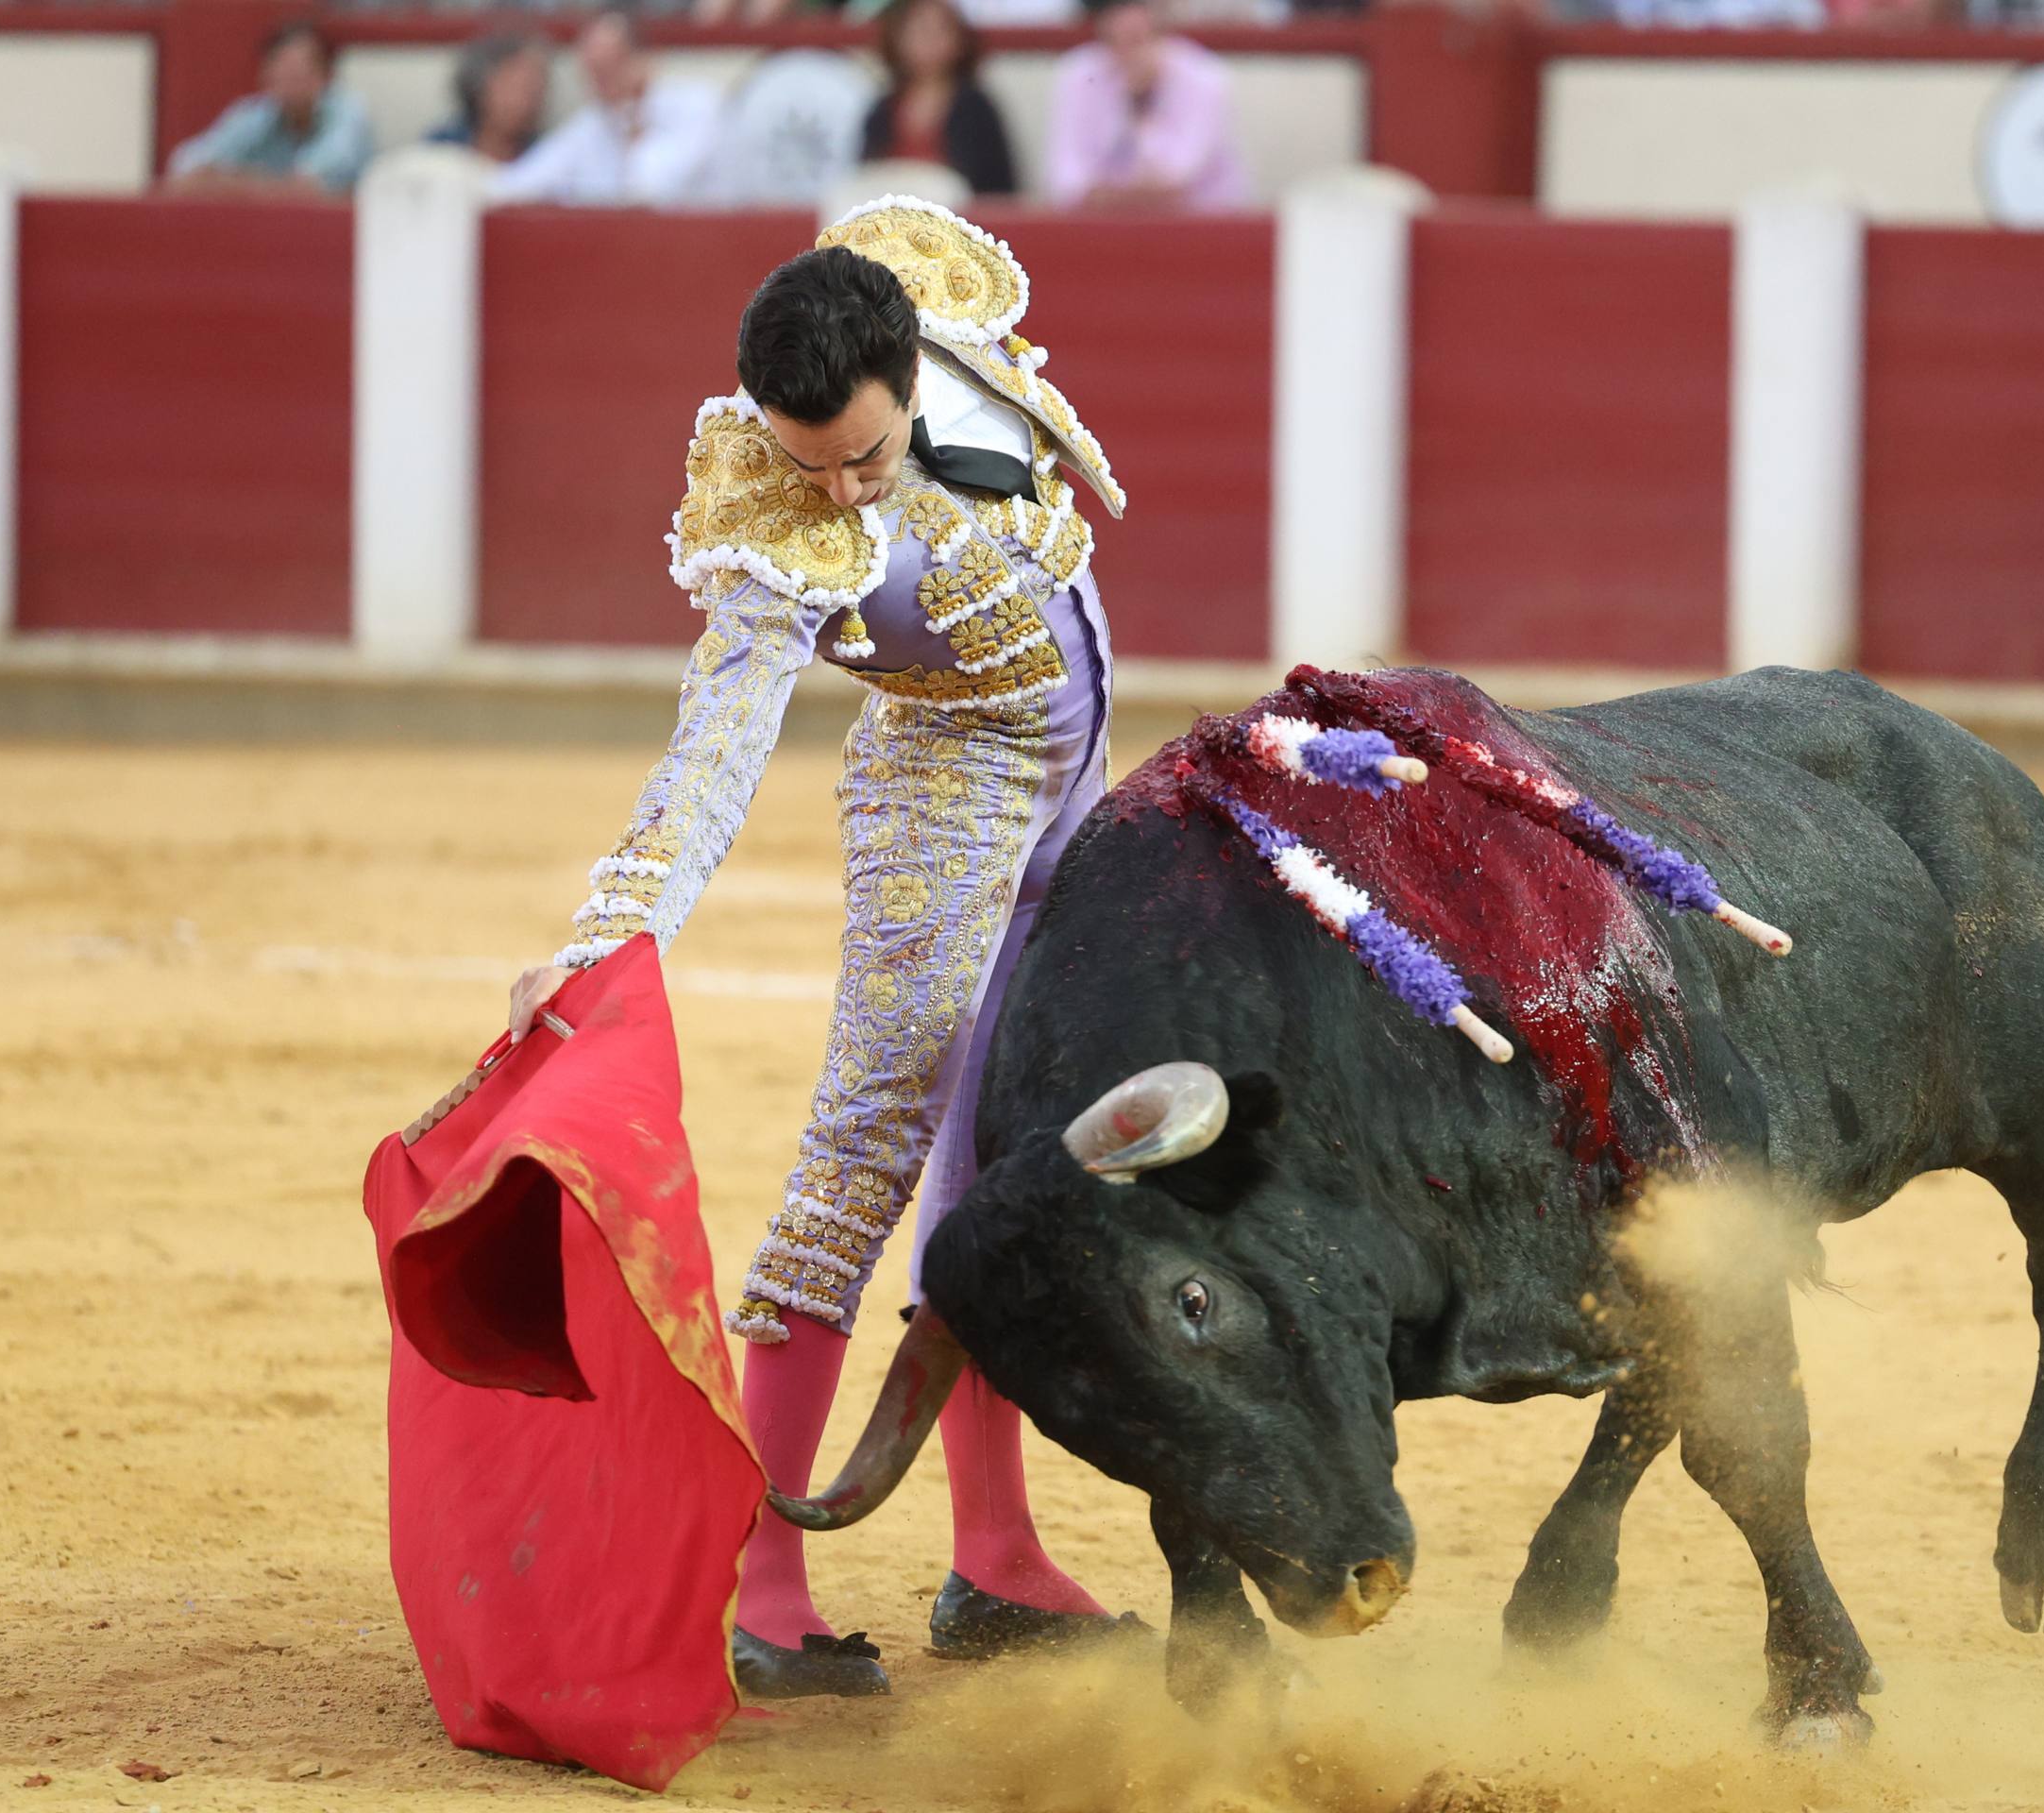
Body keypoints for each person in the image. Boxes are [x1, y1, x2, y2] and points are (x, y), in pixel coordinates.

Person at [504, 198, 1132, 1700]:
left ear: (911, 372)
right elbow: (715, 745)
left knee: (998, 1165)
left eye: (864, 455)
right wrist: (610, 936)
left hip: (1076, 793)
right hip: (943, 801)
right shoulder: (768, 525)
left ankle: (996, 1556)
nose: (841, 490)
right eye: (811, 465)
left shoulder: (918, 297)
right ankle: (760, 1582)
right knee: (861, 1160)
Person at [491, 7, 720, 207]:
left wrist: (636, 120)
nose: (601, 86)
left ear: (643, 59)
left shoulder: (697, 107)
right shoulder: (593, 122)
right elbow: (515, 185)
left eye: (610, 67)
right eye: (594, 73)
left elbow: (649, 193)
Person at [1043, 0, 1248, 212]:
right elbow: (1064, 175)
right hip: (1101, 219)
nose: (1127, 53)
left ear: (1163, 35)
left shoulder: (1203, 77)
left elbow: (1177, 176)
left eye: (1137, 39)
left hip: (1199, 220)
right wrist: (1106, 194)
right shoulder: (1078, 74)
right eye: (1115, 40)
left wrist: (1140, 101)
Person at [165, 20, 374, 196]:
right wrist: (263, 184)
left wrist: (229, 181)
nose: (290, 81)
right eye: (281, 70)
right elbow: (184, 169)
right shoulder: (256, 114)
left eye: (299, 71)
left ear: (325, 76)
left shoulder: (347, 113)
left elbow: (307, 186)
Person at [860, 0, 1018, 197]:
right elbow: (866, 173)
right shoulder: (883, 107)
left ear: (960, 40)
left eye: (939, 31)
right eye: (919, 31)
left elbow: (996, 184)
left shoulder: (976, 107)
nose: (929, 41)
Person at [427, 33, 550, 166]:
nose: (527, 100)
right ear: (480, 88)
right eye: (516, 86)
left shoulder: (547, 155)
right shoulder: (439, 149)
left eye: (536, 88)